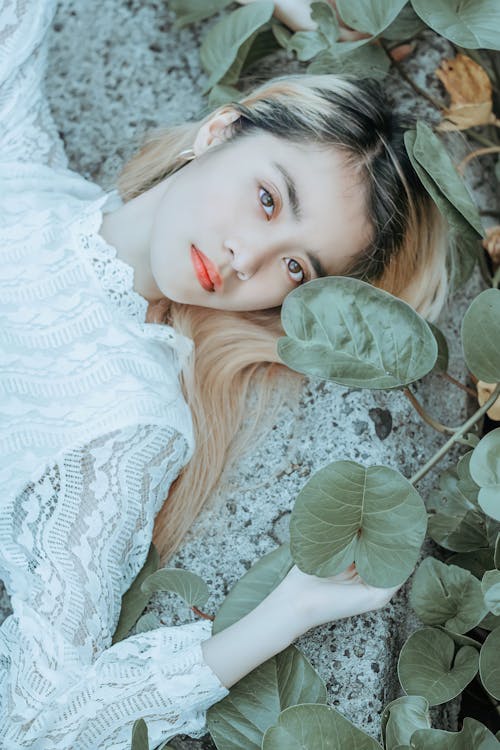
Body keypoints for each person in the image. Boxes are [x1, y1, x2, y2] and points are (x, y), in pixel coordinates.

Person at [0, 0, 448, 748]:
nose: (249, 259)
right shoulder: (24, 171)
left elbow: (38, 717)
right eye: (268, 199)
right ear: (220, 130)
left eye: (296, 267)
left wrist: (288, 611)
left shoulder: (127, 419)